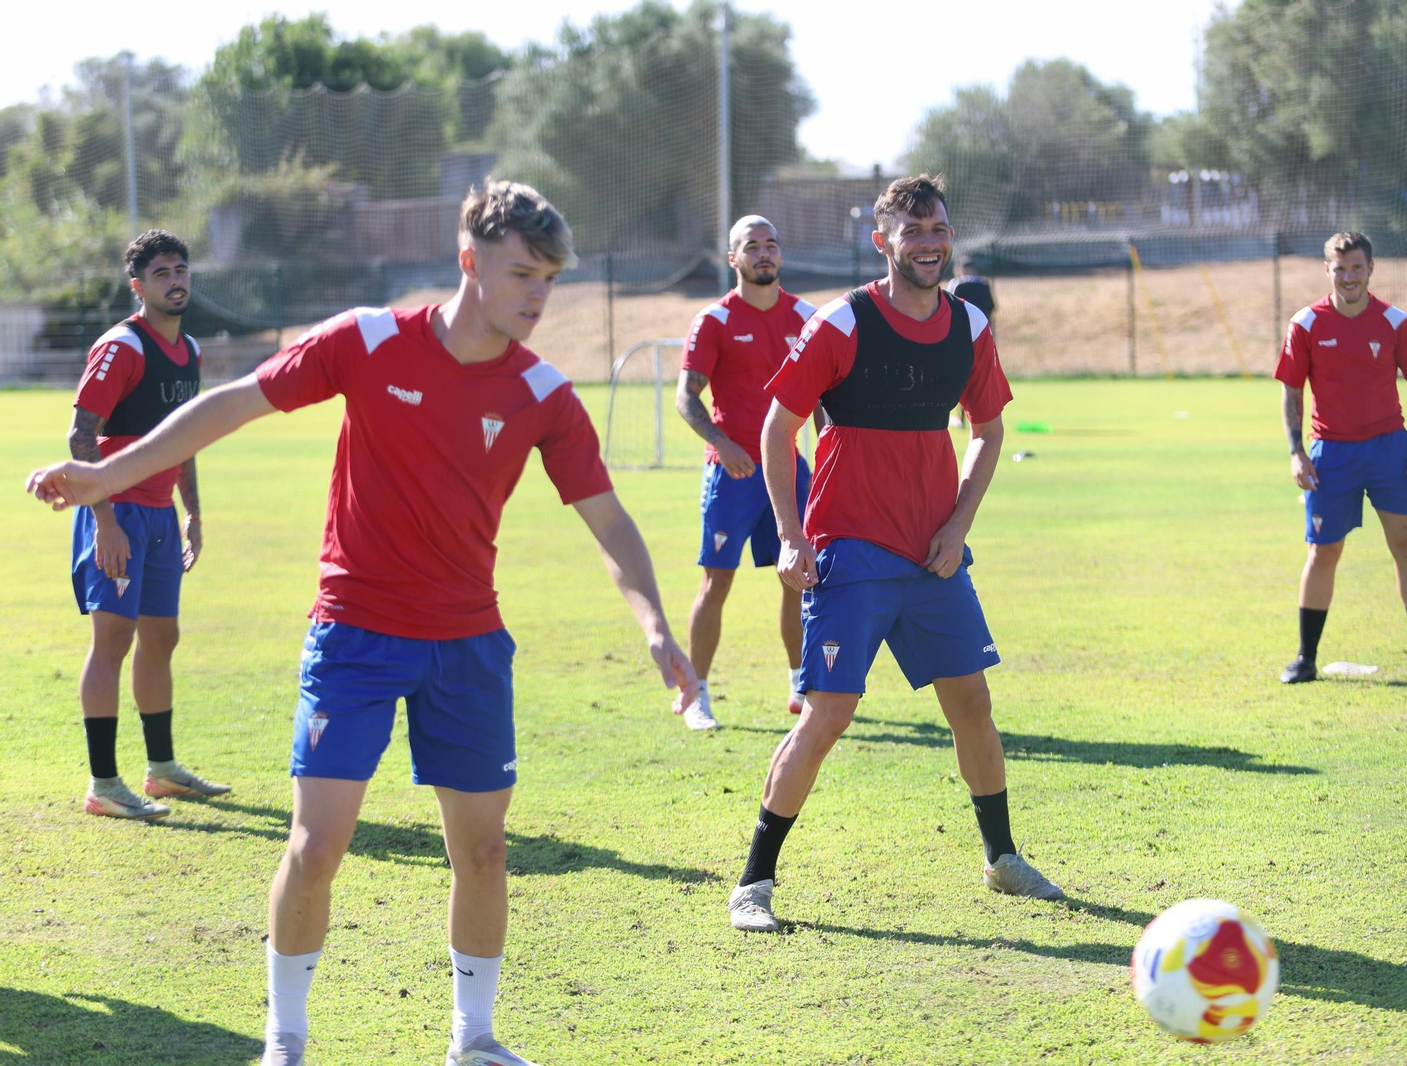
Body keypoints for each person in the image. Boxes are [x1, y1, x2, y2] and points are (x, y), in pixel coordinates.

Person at [29, 180, 696, 1066]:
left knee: (486, 851)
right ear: (470, 261)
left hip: (468, 645)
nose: (539, 295)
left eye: (549, 279)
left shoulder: (542, 390)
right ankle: (287, 1041)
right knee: (315, 846)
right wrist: (108, 478)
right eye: (522, 273)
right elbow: (231, 402)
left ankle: (475, 1039)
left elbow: (608, 519)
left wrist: (653, 624)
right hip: (354, 637)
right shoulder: (370, 341)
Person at [725, 174, 1064, 933]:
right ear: (882, 242)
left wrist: (959, 526)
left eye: (938, 229)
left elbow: (989, 431)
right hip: (852, 550)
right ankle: (754, 881)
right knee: (828, 714)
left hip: (933, 557)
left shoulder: (970, 326)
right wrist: (788, 534)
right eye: (912, 233)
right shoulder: (844, 322)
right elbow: (778, 429)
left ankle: (1002, 859)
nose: (929, 243)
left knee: (971, 704)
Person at [68, 229, 229, 820]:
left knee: (162, 637)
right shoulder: (122, 347)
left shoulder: (190, 353)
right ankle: (103, 784)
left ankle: (161, 771)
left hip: (161, 515)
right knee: (113, 641)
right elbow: (80, 436)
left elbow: (182, 440)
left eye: (181, 269)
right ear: (138, 286)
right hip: (117, 515)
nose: (176, 280)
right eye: (161, 273)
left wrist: (193, 515)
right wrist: (103, 519)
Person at [1274, 230, 1407, 685]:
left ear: (1371, 269)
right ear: (1327, 271)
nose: (1349, 276)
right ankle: (1304, 658)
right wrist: (1296, 451)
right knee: (1323, 553)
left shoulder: (1396, 322)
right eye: (1340, 269)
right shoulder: (1305, 324)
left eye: (1357, 267)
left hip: (1389, 451)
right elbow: (1291, 391)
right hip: (1330, 454)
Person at [673, 215, 817, 730]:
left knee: (799, 579)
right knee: (716, 584)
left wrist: (828, 454)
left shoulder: (806, 316)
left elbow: (823, 397)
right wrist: (722, 443)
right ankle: (697, 695)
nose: (764, 253)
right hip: (732, 476)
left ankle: (803, 683)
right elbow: (686, 397)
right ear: (732, 258)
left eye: (771, 245)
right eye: (751, 246)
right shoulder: (713, 320)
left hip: (792, 473)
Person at [944, 258, 996, 429]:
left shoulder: (956, 284)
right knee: (980, 378)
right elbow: (992, 308)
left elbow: (947, 309)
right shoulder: (984, 284)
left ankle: (960, 418)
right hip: (981, 336)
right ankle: (984, 418)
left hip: (960, 336)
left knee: (959, 378)